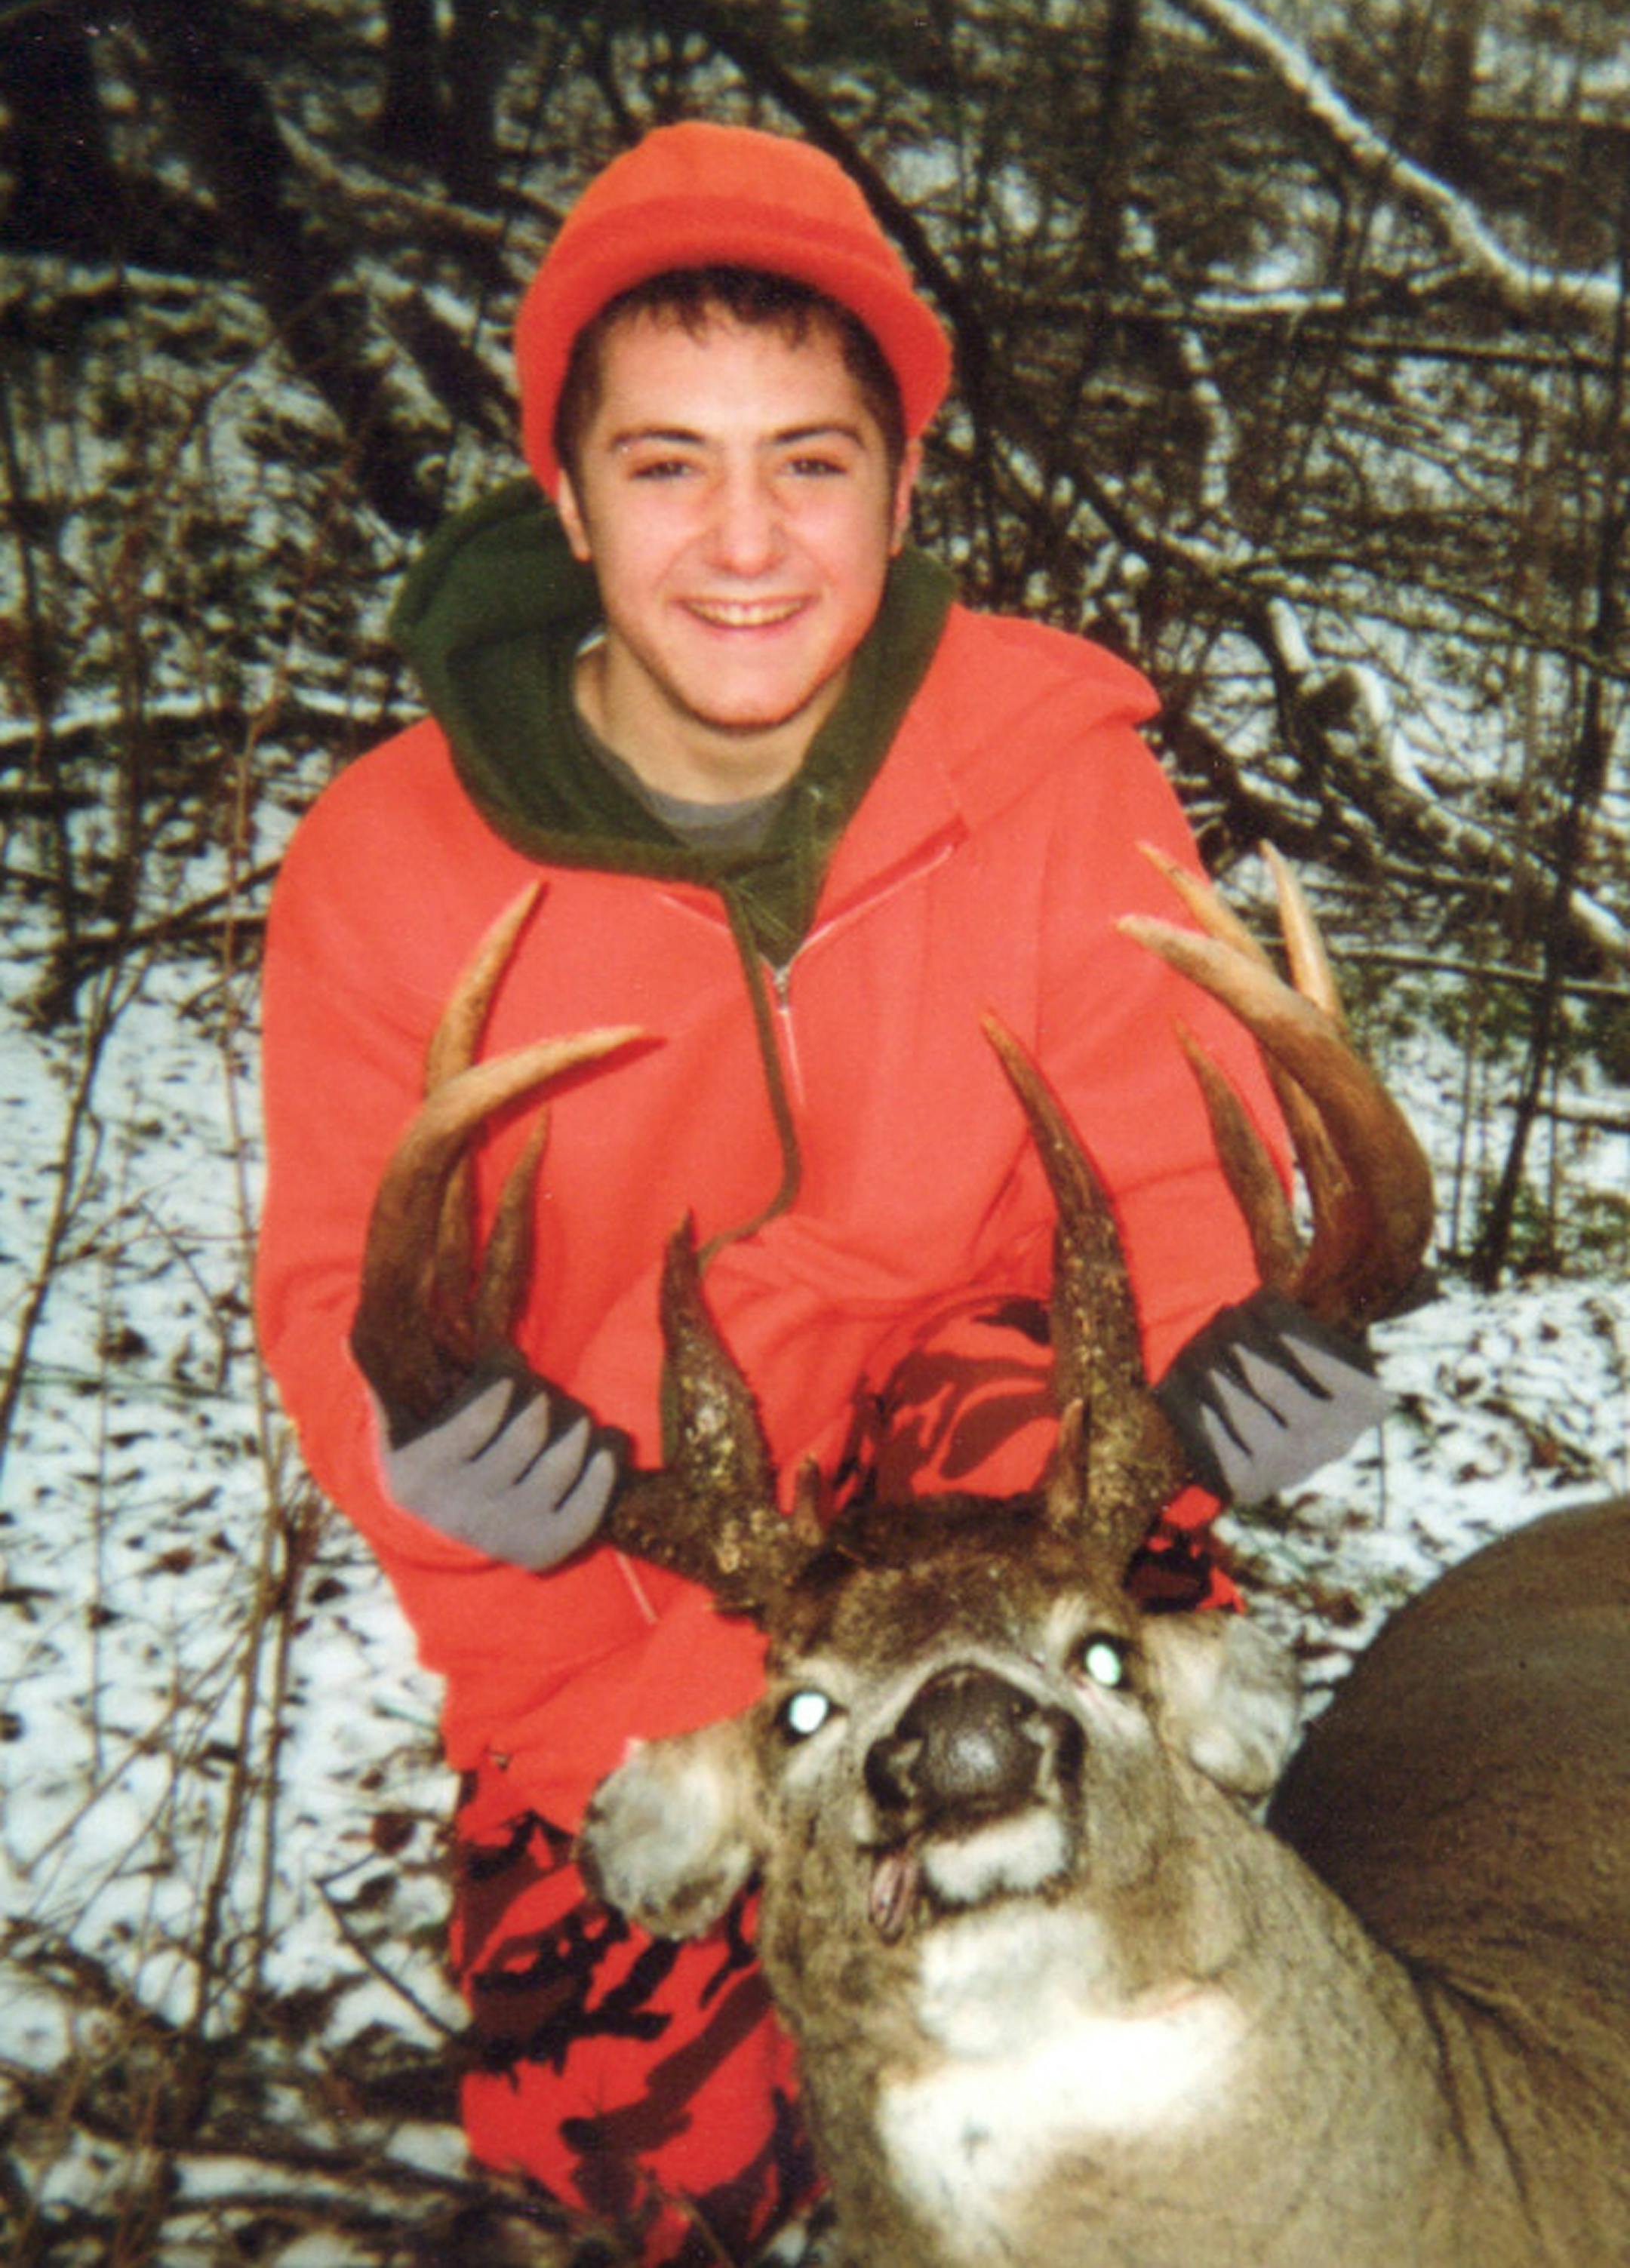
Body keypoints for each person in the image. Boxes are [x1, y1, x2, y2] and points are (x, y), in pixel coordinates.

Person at [256, 119, 1383, 2266]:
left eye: (814, 459)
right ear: (567, 497)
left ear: (899, 484)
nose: (747, 540)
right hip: (633, 1547)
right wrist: (456, 1476)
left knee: (1159, 2098)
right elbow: (346, 1291)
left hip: (994, 1480)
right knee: (654, 2188)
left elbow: (1169, 1153)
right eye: (670, 463)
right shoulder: (396, 861)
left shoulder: (1048, 770)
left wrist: (1239, 1343)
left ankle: (1139, 1873)